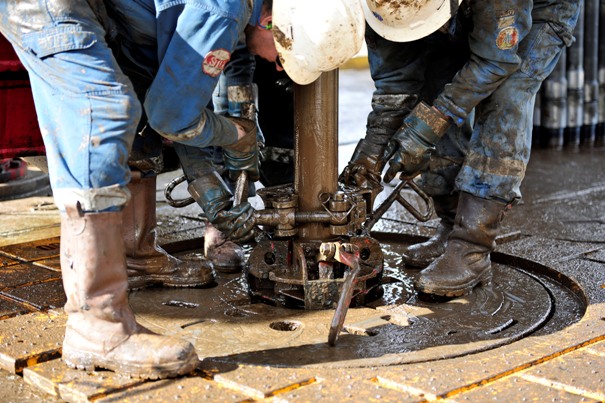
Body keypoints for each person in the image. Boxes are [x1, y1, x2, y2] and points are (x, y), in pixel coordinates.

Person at [0, 0, 280, 379]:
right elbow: (174, 118)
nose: (279, 68)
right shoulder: (226, 7)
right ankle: (97, 325)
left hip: (97, 10)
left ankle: (136, 257)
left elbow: (170, 103)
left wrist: (209, 188)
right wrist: (236, 135)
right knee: (103, 109)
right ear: (272, 21)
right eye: (284, 58)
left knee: (138, 111)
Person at [342, 0, 580, 297]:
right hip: (455, 12)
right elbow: (395, 82)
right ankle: (450, 222)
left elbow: (497, 62)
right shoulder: (379, 8)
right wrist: (372, 149)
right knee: (436, 85)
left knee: (506, 97)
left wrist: (430, 124)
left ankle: (472, 250)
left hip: (538, 11)